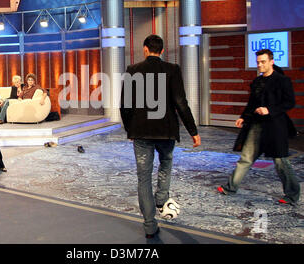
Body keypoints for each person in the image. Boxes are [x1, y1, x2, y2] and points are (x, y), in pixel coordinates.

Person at [120, 34, 201, 239]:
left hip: (141, 132)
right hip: (166, 131)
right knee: (166, 162)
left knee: (143, 178)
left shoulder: (132, 70)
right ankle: (161, 197)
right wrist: (193, 131)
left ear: (145, 49)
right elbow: (181, 102)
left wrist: (130, 129)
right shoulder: (172, 70)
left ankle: (149, 225)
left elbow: (125, 106)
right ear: (162, 51)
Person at [217, 49, 300, 205]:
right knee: (246, 158)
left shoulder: (282, 81)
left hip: (275, 127)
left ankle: (292, 194)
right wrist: (243, 117)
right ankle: (230, 187)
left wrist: (269, 110)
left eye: (263, 62)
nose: (260, 65)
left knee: (280, 162)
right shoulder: (257, 82)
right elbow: (252, 104)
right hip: (256, 126)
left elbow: (290, 102)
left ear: (271, 61)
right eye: (258, 62)